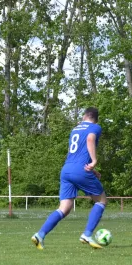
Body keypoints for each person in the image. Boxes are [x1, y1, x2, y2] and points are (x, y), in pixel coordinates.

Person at [32, 107, 107, 250]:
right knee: (101, 201)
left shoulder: (75, 129)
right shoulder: (95, 127)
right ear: (96, 118)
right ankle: (87, 234)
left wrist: (92, 169)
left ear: (84, 116)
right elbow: (90, 139)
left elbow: (74, 153)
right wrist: (94, 161)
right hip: (81, 170)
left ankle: (40, 235)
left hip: (67, 169)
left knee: (64, 208)